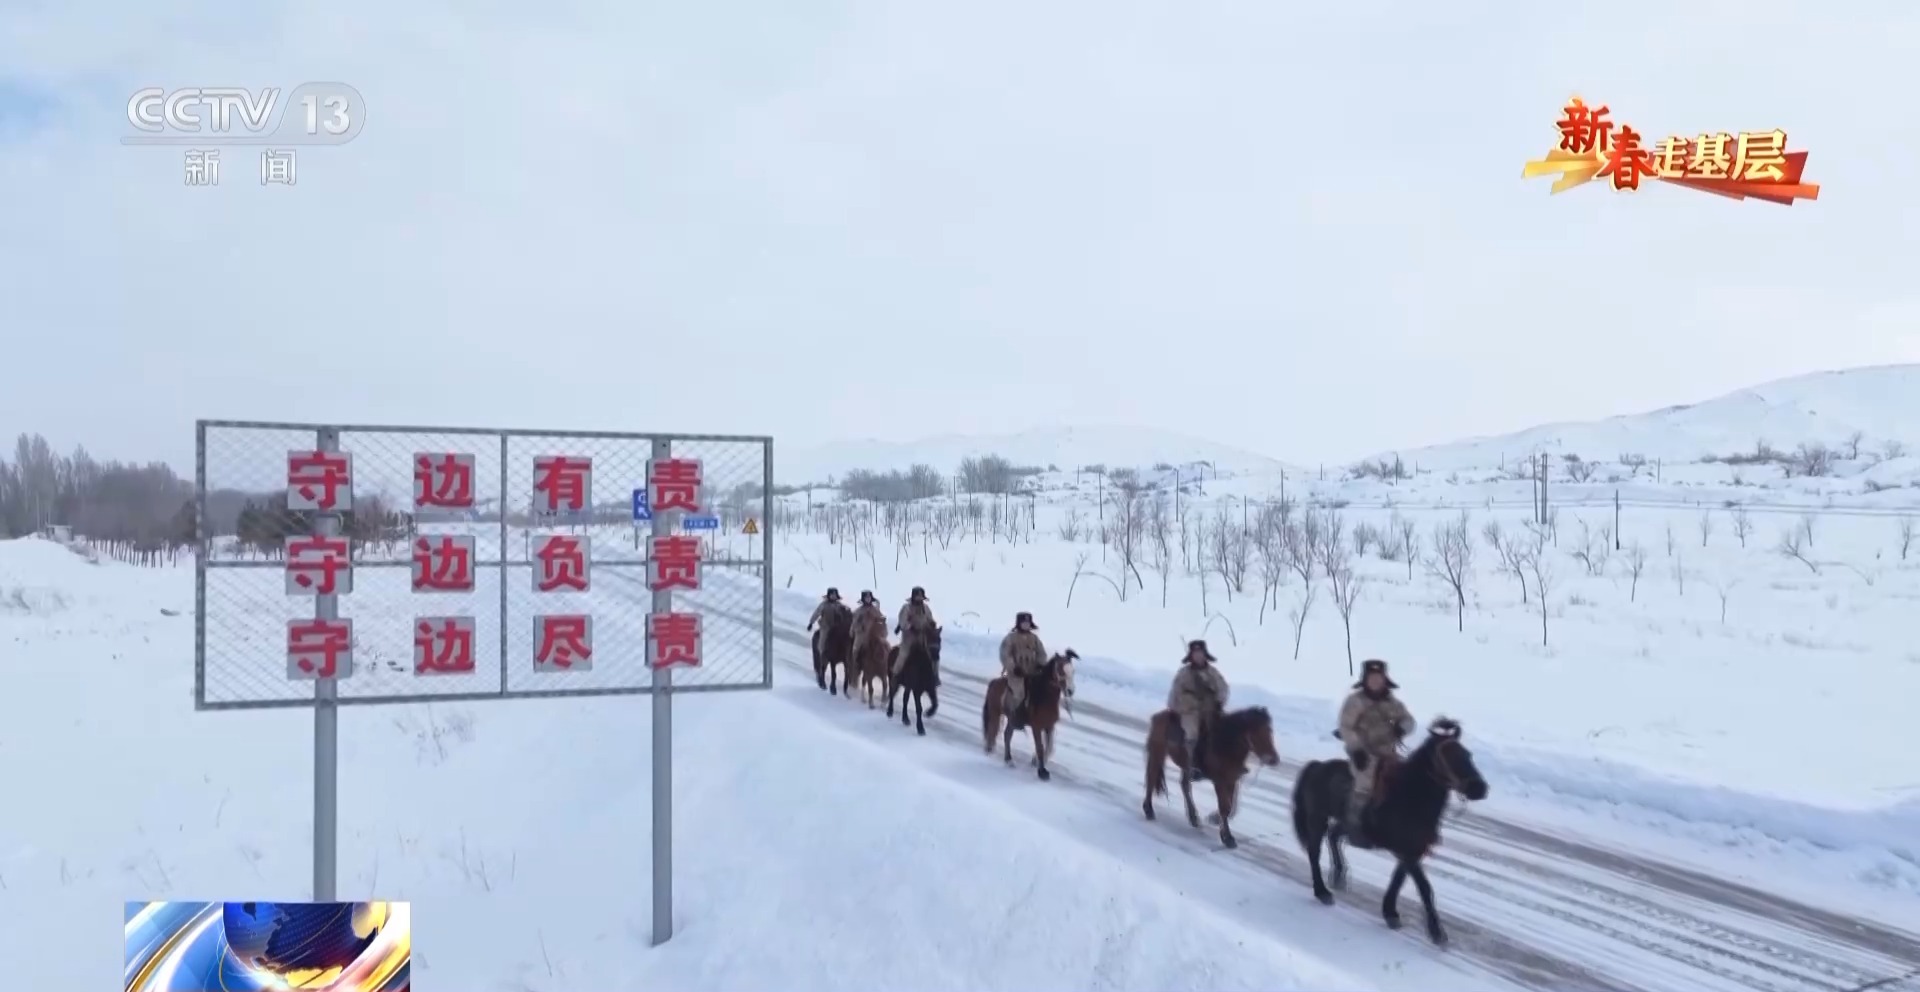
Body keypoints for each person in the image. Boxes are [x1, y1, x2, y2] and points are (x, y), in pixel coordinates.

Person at [1338, 659, 1417, 848]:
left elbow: (1409, 720)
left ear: (1385, 679)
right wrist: (1356, 748)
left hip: (1388, 752)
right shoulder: (1355, 701)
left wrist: (1402, 727)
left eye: (1378, 678)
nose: (1375, 681)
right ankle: (1355, 826)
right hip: (1363, 752)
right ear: (1365, 679)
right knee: (1365, 782)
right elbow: (1346, 727)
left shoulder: (1392, 702)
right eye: (1371, 678)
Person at [1167, 640, 1229, 782]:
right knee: (1192, 732)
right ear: (1191, 656)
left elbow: (1223, 688)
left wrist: (1219, 702)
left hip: (1210, 709)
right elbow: (1175, 692)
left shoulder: (1213, 672)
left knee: (1227, 728)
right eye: (1195, 654)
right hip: (1189, 710)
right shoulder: (1184, 673)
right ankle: (1193, 765)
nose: (1198, 656)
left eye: (1200, 653)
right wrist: (1177, 708)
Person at [998, 611, 1048, 722]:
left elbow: (1042, 653)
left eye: (1028, 623)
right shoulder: (1011, 638)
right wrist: (1013, 667)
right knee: (1019, 693)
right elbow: (1005, 654)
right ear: (1019, 624)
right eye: (1024, 623)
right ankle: (1015, 715)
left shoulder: (1034, 638)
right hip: (1016, 673)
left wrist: (1041, 664)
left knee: (1041, 690)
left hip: (1032, 672)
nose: (1026, 625)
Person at [850, 590, 888, 655]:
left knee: (885, 646)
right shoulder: (858, 611)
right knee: (856, 649)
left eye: (869, 597)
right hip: (862, 633)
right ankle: (854, 660)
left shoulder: (875, 610)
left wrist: (882, 623)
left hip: (874, 633)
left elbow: (880, 620)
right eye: (866, 598)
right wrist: (859, 628)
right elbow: (855, 623)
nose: (868, 599)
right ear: (863, 599)